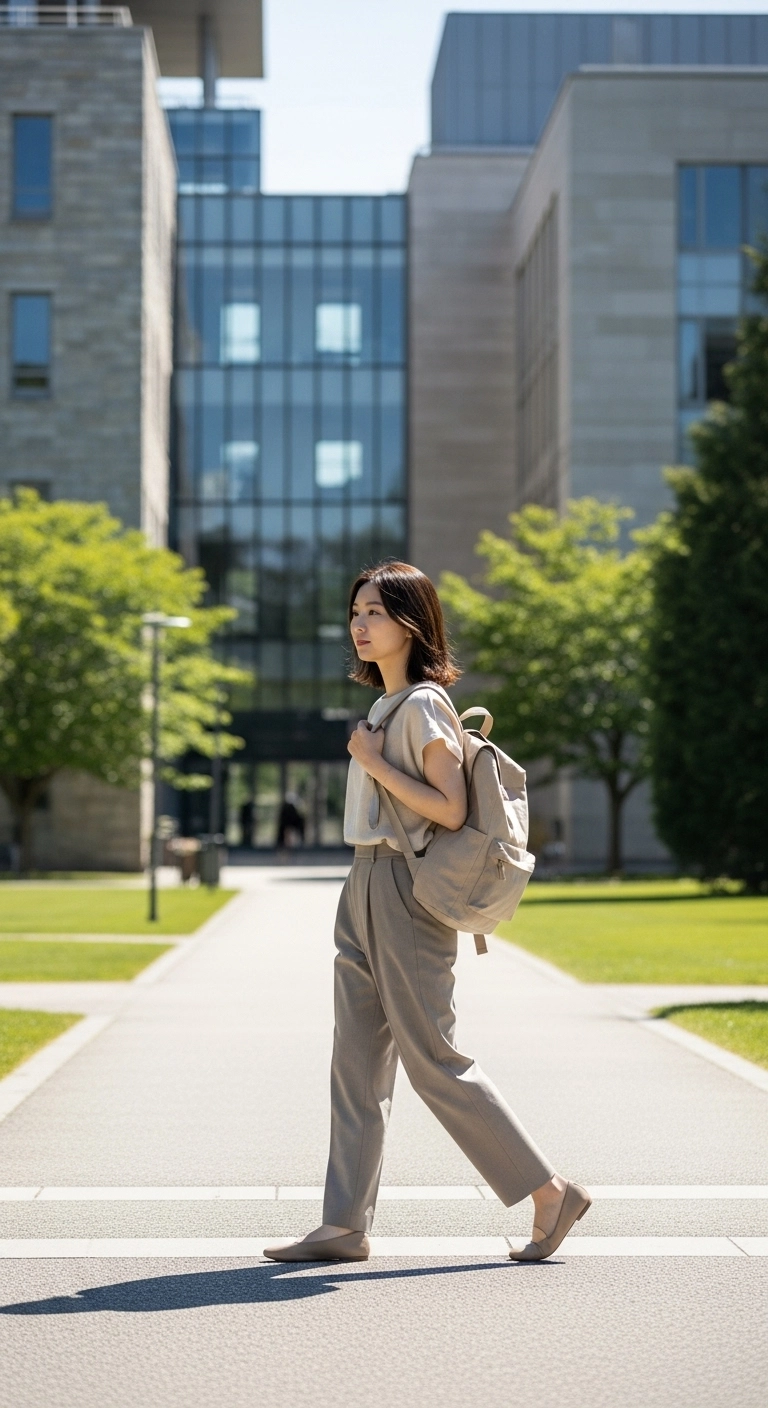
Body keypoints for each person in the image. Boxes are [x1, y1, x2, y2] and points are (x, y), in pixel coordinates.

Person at [264, 561, 590, 1264]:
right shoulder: (386, 709)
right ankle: (344, 1224)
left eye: (375, 612)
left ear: (412, 622)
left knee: (433, 1060)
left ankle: (549, 1192)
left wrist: (374, 763)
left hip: (405, 892)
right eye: (355, 612)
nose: (360, 624)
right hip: (363, 883)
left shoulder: (420, 706)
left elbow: (451, 807)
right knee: (354, 1061)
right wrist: (372, 754)